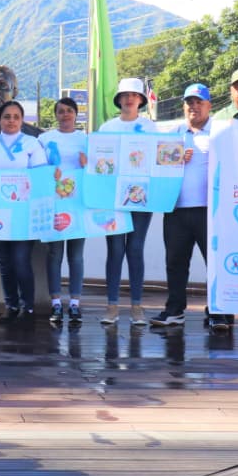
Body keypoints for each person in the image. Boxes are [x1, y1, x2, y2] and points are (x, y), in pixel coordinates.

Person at [152, 84, 222, 331]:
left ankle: (218, 311)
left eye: (199, 102)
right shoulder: (173, 134)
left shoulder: (219, 133)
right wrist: (174, 160)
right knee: (175, 262)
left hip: (208, 210)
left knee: (213, 262)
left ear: (209, 106)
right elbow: (157, 166)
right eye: (189, 102)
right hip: (176, 210)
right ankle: (175, 310)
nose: (193, 107)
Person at [98, 77, 157, 327]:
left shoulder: (150, 127)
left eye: (134, 95)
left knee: (135, 249)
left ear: (141, 100)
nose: (129, 99)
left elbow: (158, 160)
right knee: (115, 250)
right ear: (119, 99)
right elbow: (99, 163)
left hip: (140, 198)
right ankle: (112, 306)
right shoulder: (107, 128)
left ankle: (136, 306)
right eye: (125, 95)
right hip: (112, 199)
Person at [0, 100, 47, 322]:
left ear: (22, 120)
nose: (11, 121)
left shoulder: (32, 143)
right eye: (7, 116)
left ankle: (27, 307)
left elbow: (41, 176)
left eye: (16, 117)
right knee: (5, 261)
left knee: (21, 260)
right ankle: (10, 305)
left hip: (24, 213)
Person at [40, 97, 88, 325]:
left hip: (79, 204)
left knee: (76, 256)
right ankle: (56, 303)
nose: (65, 115)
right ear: (56, 114)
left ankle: (75, 304)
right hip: (54, 204)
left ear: (76, 114)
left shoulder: (86, 139)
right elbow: (37, 168)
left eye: (69, 111)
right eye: (61, 111)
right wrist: (49, 171)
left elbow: (97, 169)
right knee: (54, 255)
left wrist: (87, 164)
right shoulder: (45, 138)